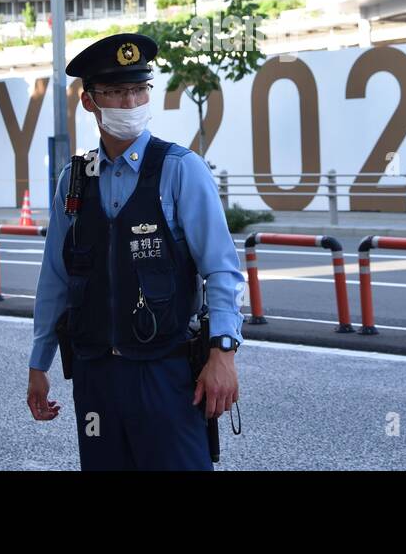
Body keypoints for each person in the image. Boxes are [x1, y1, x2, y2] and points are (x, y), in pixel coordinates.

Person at [26, 31, 244, 470]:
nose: (130, 103)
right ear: (89, 101)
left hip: (166, 373)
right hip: (95, 375)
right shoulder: (75, 180)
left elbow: (221, 270)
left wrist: (223, 352)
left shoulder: (181, 170)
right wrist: (39, 361)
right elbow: (56, 277)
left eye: (138, 90)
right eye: (116, 92)